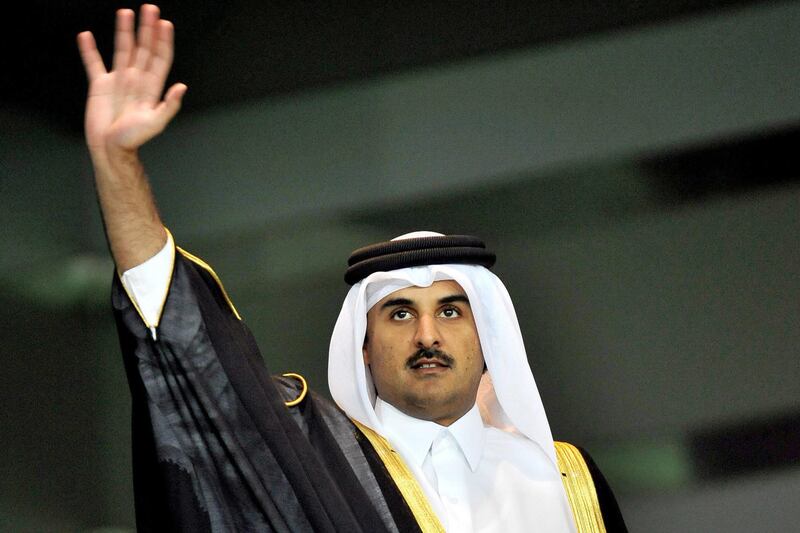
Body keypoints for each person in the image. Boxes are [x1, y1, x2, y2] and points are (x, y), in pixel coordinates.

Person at [78, 5, 626, 532]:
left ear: (489, 336)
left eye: (452, 310)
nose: (427, 335)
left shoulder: (565, 482)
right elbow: (197, 368)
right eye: (400, 312)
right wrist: (117, 165)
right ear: (362, 344)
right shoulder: (318, 465)